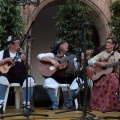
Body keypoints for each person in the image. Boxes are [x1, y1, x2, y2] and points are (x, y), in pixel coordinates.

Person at [37, 39, 83, 110]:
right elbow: (39, 56)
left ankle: (68, 101)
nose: (67, 45)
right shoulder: (52, 55)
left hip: (70, 78)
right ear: (59, 46)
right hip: (56, 78)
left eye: (67, 44)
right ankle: (54, 104)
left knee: (78, 80)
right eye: (64, 44)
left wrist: (82, 61)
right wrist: (52, 61)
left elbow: (78, 68)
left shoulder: (72, 57)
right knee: (47, 81)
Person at [0, 36, 36, 114]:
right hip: (8, 74)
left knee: (29, 80)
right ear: (11, 44)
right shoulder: (3, 53)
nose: (19, 45)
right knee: (2, 79)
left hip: (20, 75)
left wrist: (25, 60)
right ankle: (0, 104)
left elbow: (28, 68)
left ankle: (27, 105)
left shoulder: (21, 55)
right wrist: (7, 59)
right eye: (17, 43)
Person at [88, 37, 120, 111]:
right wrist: (99, 63)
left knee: (113, 76)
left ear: (113, 45)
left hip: (114, 77)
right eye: (106, 42)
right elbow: (90, 61)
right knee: (113, 77)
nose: (106, 43)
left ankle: (113, 105)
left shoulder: (118, 55)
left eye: (108, 42)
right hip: (102, 78)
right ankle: (106, 105)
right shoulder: (102, 53)